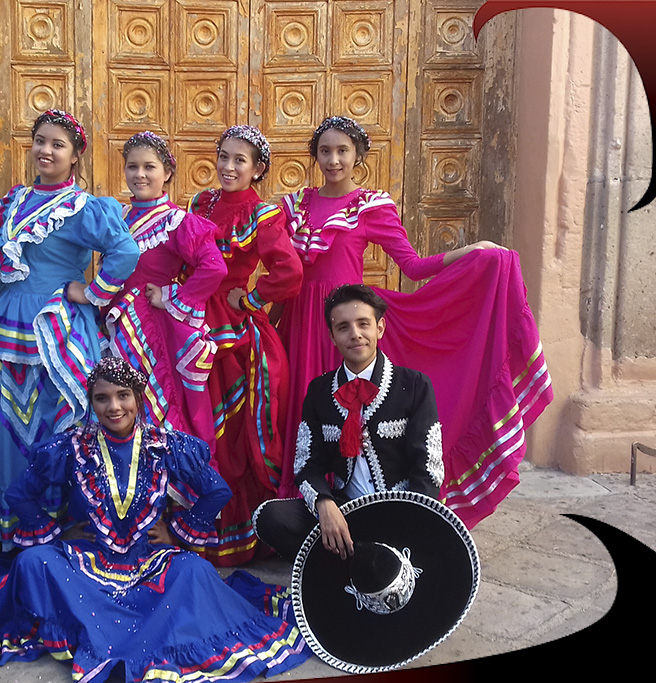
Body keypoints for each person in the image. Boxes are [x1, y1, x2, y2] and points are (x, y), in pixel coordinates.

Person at [0, 357, 309, 682]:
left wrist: (176, 532)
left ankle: (118, 631)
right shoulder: (72, 446)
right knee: (31, 562)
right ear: (91, 403)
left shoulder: (166, 445)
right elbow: (19, 494)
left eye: (123, 396)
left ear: (138, 398)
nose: (114, 406)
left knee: (194, 571)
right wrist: (58, 533)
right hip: (87, 561)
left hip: (148, 561)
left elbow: (217, 491)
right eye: (102, 398)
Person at [276, 115, 552, 527]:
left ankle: (359, 503)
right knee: (305, 410)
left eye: (342, 151)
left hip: (346, 319)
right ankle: (309, 507)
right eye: (325, 151)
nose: (333, 160)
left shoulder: (369, 207)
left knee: (349, 410)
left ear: (358, 156)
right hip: (301, 321)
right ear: (314, 155)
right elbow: (284, 272)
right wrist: (264, 319)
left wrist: (469, 252)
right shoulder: (295, 206)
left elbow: (413, 266)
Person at [0, 110, 140, 550]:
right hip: (9, 325)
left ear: (75, 156)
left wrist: (92, 292)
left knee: (55, 422)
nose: (46, 150)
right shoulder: (13, 202)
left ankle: (64, 523)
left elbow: (125, 251)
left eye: (58, 144)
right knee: (1, 422)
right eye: (40, 140)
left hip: (57, 328)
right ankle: (11, 524)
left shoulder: (83, 206)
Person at [254, 284, 443, 560]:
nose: (355, 334)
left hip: (401, 510)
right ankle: (356, 559)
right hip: (346, 511)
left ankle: (348, 563)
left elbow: (428, 469)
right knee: (269, 517)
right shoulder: (319, 391)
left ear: (380, 328)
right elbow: (307, 465)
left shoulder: (414, 385)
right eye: (343, 327)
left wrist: (406, 519)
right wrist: (324, 504)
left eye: (363, 324)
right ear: (332, 337)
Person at [186, 125, 302, 566]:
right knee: (195, 421)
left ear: (258, 169)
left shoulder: (261, 214)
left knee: (232, 433)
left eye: (240, 160)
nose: (229, 167)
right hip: (192, 319)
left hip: (233, 332)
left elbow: (289, 272)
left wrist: (250, 299)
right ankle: (194, 521)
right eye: (224, 156)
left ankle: (239, 531)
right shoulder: (201, 203)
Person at [105, 131, 226, 454]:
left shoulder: (177, 221)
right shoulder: (117, 217)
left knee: (156, 402)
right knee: (119, 406)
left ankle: (168, 479)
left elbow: (214, 267)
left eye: (149, 167)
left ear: (167, 172)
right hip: (117, 324)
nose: (140, 175)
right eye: (132, 167)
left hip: (153, 330)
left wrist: (173, 297)